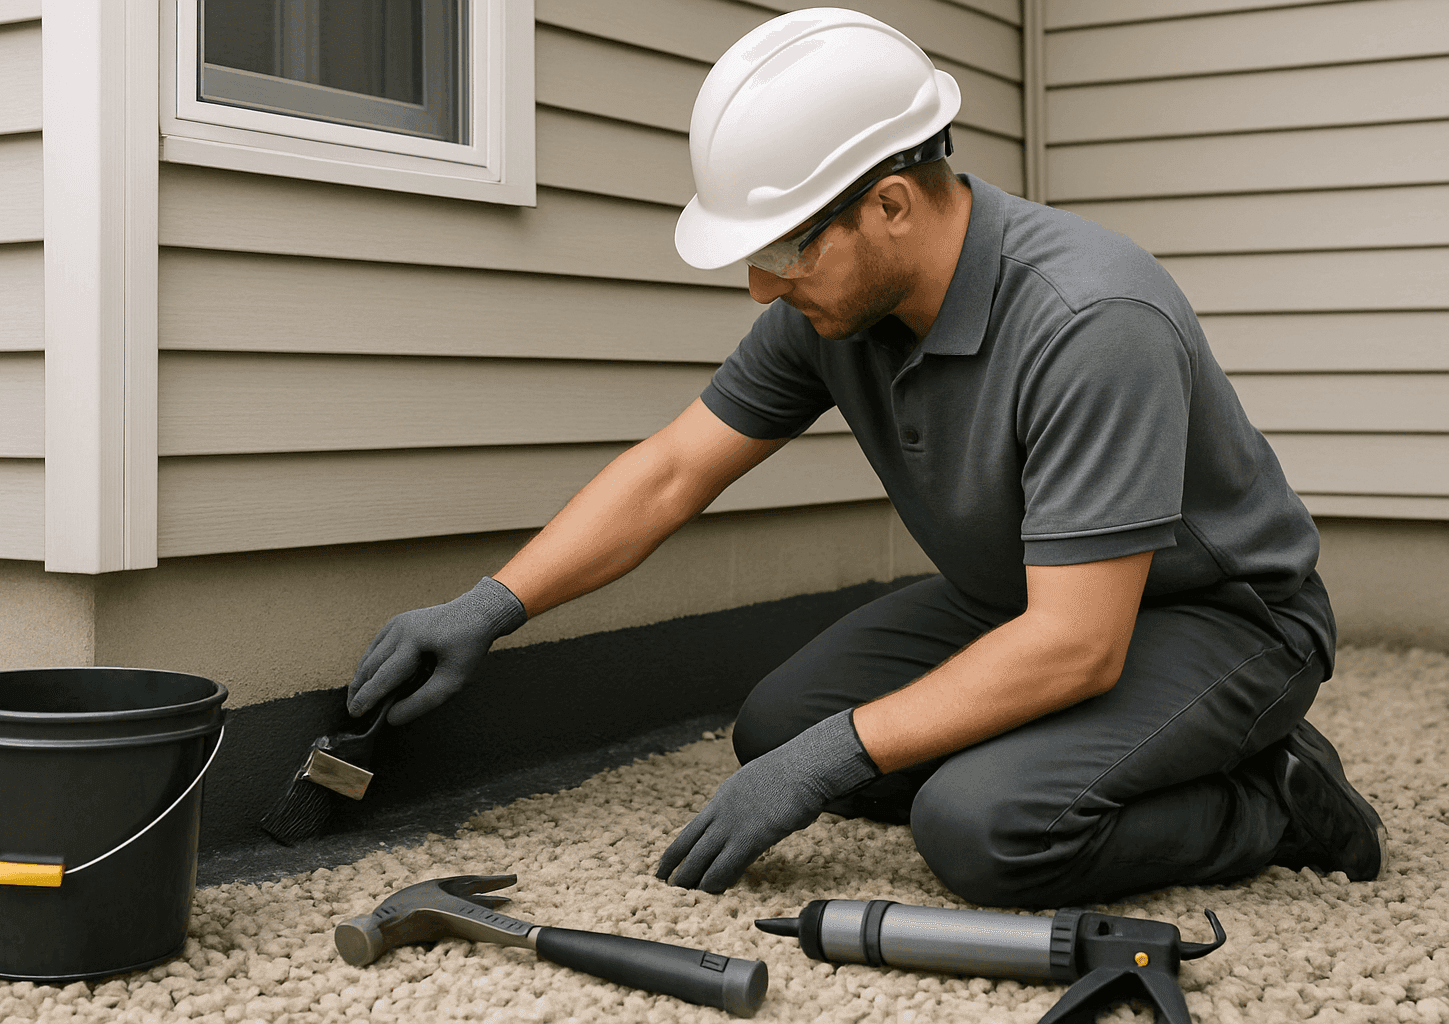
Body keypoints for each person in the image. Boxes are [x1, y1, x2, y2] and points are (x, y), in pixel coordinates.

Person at [347, 9, 1388, 908]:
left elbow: (1078, 645)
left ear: (890, 202)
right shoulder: (833, 306)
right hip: (1021, 597)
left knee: (981, 826)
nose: (762, 288)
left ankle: (1272, 797)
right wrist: (491, 604)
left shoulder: (1090, 318)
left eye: (785, 251)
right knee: (777, 727)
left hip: (1220, 619)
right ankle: (1071, 751)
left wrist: (846, 754)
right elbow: (675, 468)